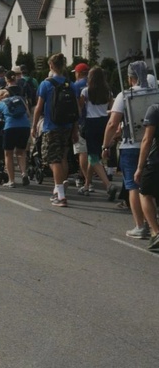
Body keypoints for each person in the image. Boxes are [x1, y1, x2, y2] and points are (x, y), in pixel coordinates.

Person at [104, 61, 152, 239]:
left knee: (133, 186)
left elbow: (112, 123)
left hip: (131, 145)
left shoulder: (125, 95)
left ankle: (140, 226)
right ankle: (151, 222)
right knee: (150, 186)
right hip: (152, 145)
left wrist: (105, 144)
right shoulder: (154, 93)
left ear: (131, 78)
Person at [32, 53, 79, 207]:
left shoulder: (46, 84)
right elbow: (76, 108)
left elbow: (39, 107)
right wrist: (75, 129)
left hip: (51, 126)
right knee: (62, 156)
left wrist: (34, 126)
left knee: (52, 159)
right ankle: (59, 186)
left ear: (51, 66)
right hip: (67, 125)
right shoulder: (70, 84)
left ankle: (60, 194)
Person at [77, 66, 118, 199]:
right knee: (94, 155)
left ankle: (108, 185)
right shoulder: (108, 91)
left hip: (91, 123)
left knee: (93, 157)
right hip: (104, 122)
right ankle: (87, 185)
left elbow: (81, 106)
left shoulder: (86, 91)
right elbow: (112, 107)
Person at [0, 89, 31, 187]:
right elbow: (28, 114)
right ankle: (24, 174)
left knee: (8, 154)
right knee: (21, 153)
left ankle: (11, 181)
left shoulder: (0, 104)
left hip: (10, 128)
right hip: (25, 127)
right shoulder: (19, 99)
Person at [136, 104, 159, 251]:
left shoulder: (154, 109)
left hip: (155, 161)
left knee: (144, 193)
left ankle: (156, 232)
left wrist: (139, 167)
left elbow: (147, 139)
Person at [71, 63, 89, 189]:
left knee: (82, 151)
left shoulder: (77, 85)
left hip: (82, 121)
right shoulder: (96, 84)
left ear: (80, 73)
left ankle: (84, 178)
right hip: (96, 121)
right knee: (92, 152)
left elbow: (77, 105)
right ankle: (90, 177)